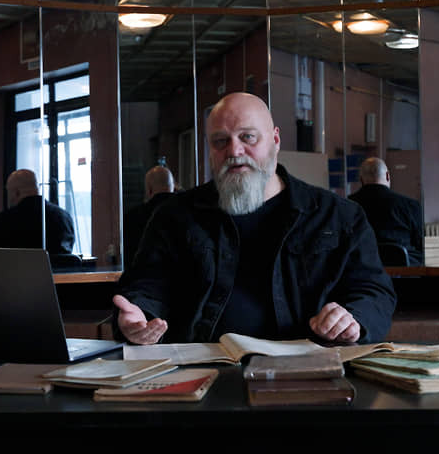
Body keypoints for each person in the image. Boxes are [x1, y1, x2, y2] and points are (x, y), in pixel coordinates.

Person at [113, 92, 396, 345]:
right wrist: (138, 316)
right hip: (202, 368)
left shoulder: (337, 216)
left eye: (248, 137)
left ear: (275, 140)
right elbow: (146, 286)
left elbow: (374, 291)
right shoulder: (175, 216)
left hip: (310, 368)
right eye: (220, 141)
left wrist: (353, 318)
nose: (234, 151)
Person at [0, 169, 75, 255]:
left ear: (16, 193)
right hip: (59, 272)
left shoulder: (2, 222)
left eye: (8, 192)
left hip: (17, 272)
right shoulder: (65, 217)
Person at [348, 157, 423, 266]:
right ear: (388, 176)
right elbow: (420, 243)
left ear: (361, 180)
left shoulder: (348, 205)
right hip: (405, 269)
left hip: (363, 269)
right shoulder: (410, 205)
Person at [123, 165, 176, 268]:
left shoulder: (133, 217)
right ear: (172, 187)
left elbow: (130, 259)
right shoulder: (188, 213)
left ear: (149, 189)